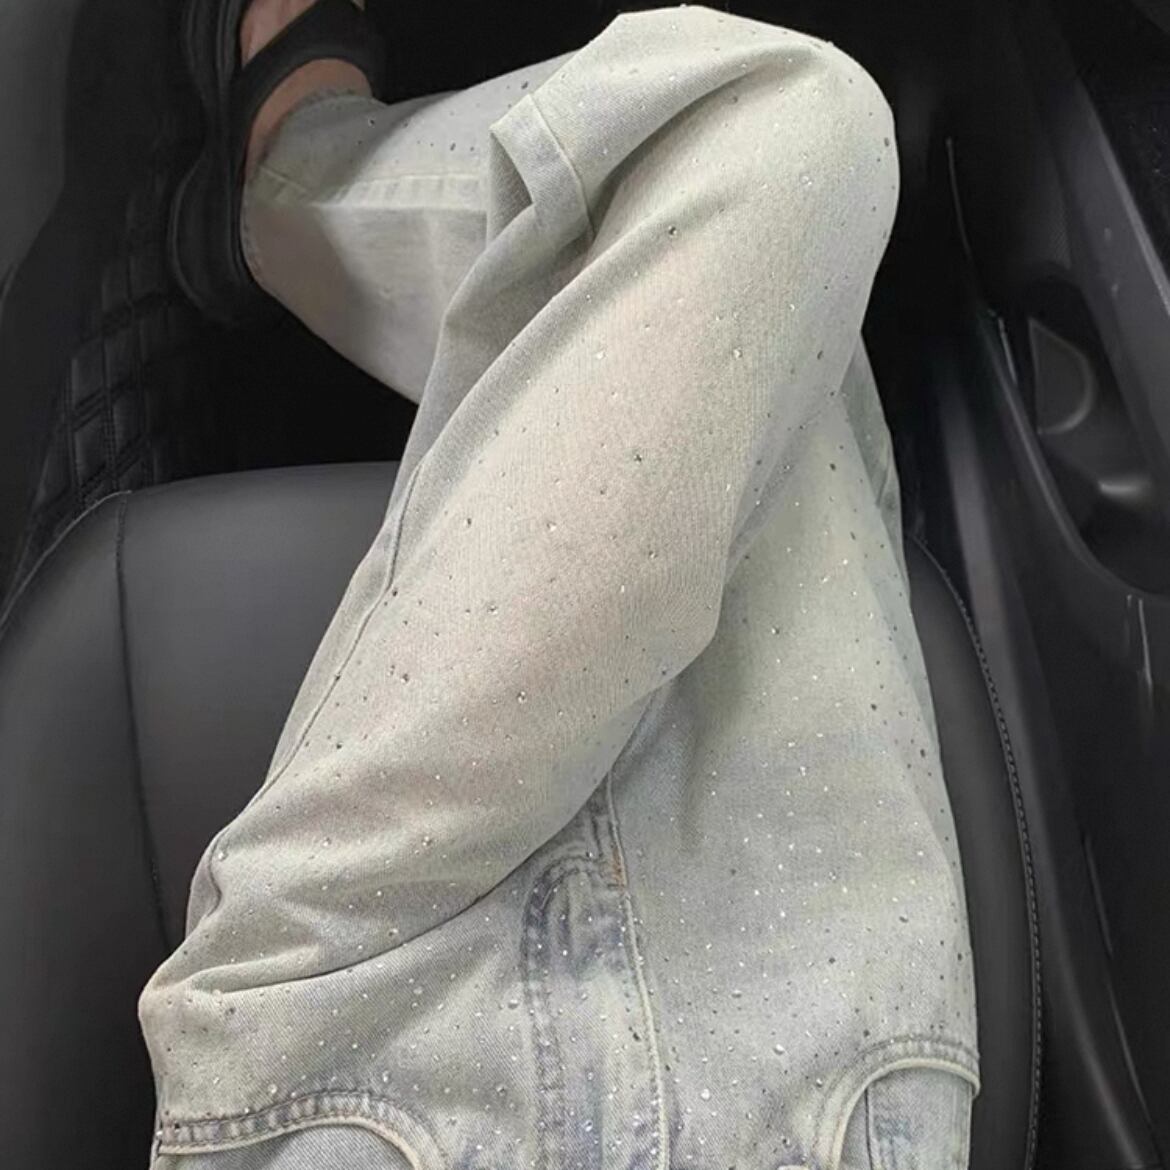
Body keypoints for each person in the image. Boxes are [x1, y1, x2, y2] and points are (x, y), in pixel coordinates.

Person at [139, 2, 979, 1167]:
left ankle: (291, 179)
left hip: (371, 1059)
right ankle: (292, 198)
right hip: (832, 1089)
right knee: (767, 343)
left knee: (767, 132)